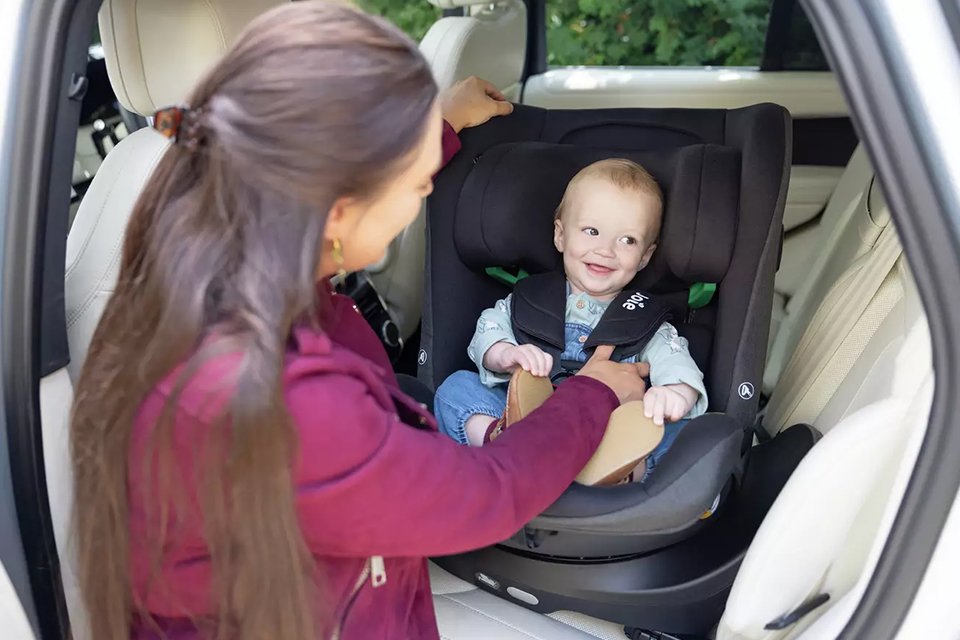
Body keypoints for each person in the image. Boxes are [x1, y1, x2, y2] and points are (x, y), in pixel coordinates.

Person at [68, 3, 649, 640]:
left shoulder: (222, 250)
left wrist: (439, 124)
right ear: (338, 209)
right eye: (415, 178)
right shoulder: (287, 401)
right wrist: (591, 394)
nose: (425, 189)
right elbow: (486, 494)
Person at [435, 159, 707, 480]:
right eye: (592, 231)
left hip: (609, 434)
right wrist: (506, 353)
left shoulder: (646, 320)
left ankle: (618, 472)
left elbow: (678, 366)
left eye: (627, 240)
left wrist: (673, 394)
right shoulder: (531, 299)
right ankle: (503, 440)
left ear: (645, 256)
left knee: (685, 435)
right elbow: (489, 330)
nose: (605, 250)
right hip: (525, 417)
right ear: (561, 235)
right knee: (455, 390)